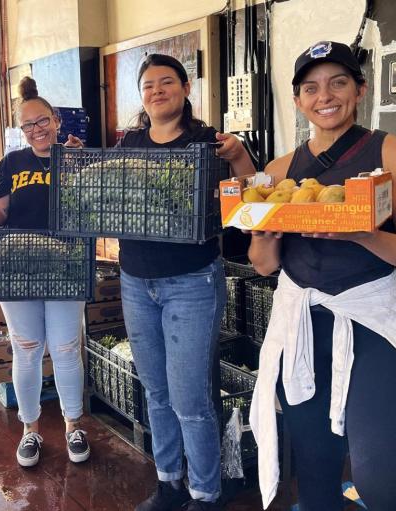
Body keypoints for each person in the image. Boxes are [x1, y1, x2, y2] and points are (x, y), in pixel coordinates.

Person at [244, 41, 396, 510]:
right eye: (311, 87)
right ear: (299, 99)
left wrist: (363, 236)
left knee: (381, 477)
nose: (326, 95)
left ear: (360, 89)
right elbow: (263, 264)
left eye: (339, 82)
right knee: (317, 476)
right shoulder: (279, 171)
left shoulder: (392, 152)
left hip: (371, 322)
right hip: (301, 326)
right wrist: (265, 228)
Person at [116, 54, 254, 511]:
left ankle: (205, 494)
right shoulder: (130, 142)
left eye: (166, 82)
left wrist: (239, 158)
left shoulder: (208, 141)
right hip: (136, 280)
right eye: (149, 85)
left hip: (192, 281)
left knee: (191, 399)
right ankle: (170, 483)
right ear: (142, 96)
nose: (157, 91)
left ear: (185, 87)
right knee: (156, 391)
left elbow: (251, 195)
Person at [0, 76, 89, 468]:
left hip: (66, 264)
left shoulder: (74, 157)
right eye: (28, 125)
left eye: (42, 121)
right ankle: (30, 430)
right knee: (27, 348)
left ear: (56, 121)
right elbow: (0, 211)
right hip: (19, 266)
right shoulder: (12, 163)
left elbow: (89, 206)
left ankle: (73, 425)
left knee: (66, 348)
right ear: (22, 130)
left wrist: (81, 164)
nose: (37, 129)